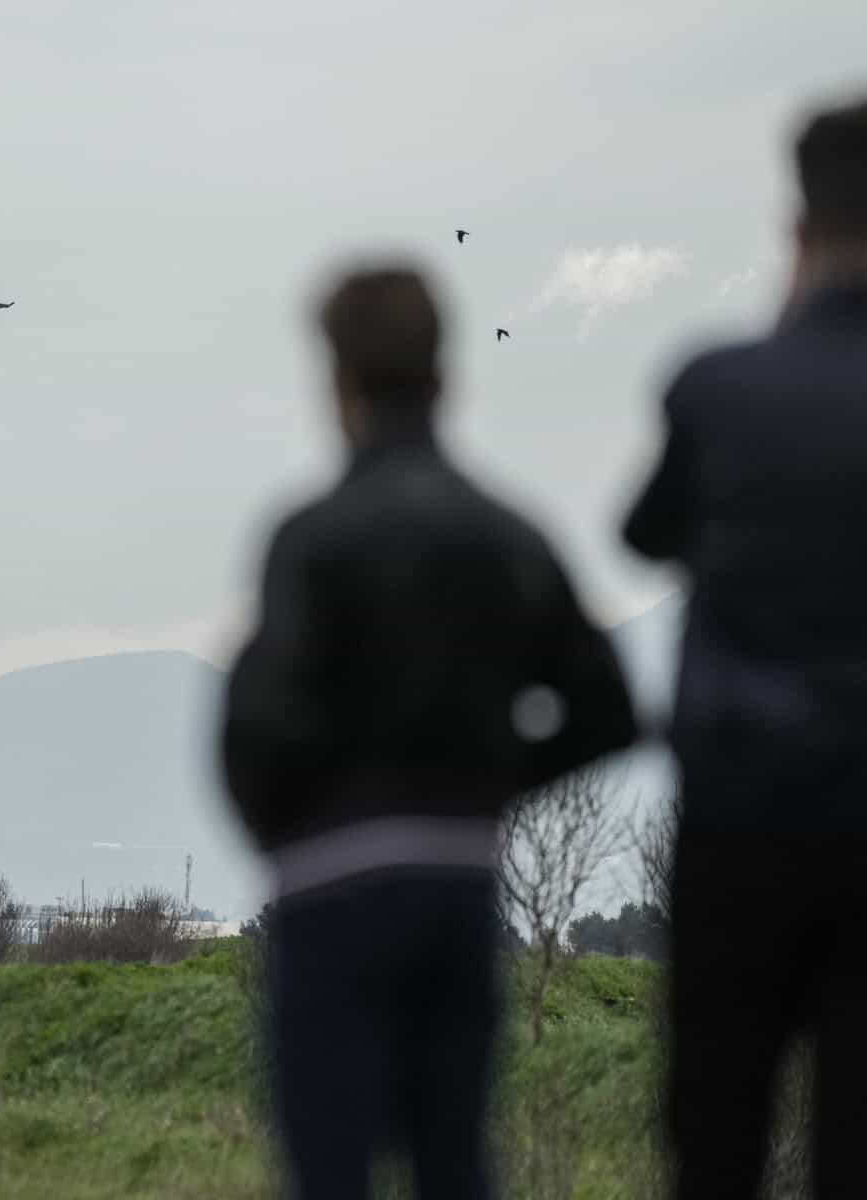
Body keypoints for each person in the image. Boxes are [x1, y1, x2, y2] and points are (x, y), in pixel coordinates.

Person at [219, 264, 637, 1198]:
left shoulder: (310, 538)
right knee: (455, 1160)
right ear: (447, 377)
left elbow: (250, 731)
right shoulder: (507, 534)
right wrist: (490, 783)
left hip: (328, 882)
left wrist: (290, 832)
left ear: (336, 382)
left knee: (329, 1170)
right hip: (456, 877)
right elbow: (609, 708)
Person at [622, 93, 867, 1199]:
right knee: (866, 1160)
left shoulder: (716, 387)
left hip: (741, 826)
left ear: (796, 233)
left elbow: (645, 534)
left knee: (714, 1148)